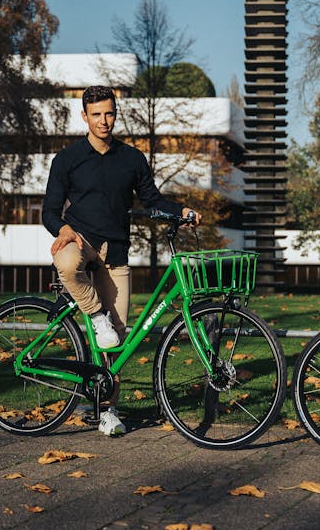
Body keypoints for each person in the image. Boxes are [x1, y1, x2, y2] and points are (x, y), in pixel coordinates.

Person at [42, 85, 201, 436]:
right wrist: (63, 229)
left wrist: (182, 210)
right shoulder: (67, 160)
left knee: (119, 342)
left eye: (109, 113)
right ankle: (95, 314)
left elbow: (152, 200)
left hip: (115, 252)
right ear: (84, 116)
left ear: (116, 114)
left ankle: (107, 411)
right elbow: (49, 212)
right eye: (96, 114)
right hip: (80, 242)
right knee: (66, 264)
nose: (104, 120)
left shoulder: (131, 159)